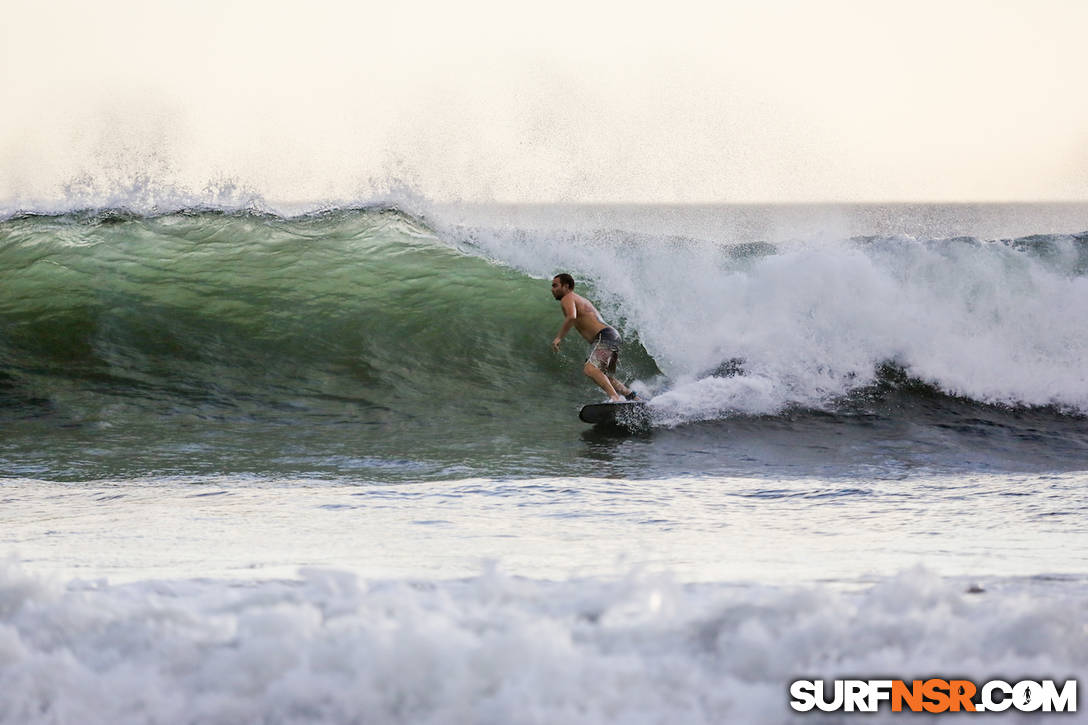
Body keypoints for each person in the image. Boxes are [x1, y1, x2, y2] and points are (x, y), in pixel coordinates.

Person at [550, 273, 638, 402]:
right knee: (605, 376)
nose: (552, 289)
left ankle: (616, 399)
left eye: (555, 285)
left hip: (605, 336)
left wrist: (558, 338)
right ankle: (633, 397)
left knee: (590, 369)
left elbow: (571, 316)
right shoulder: (579, 299)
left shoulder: (567, 297)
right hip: (611, 335)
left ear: (566, 286)